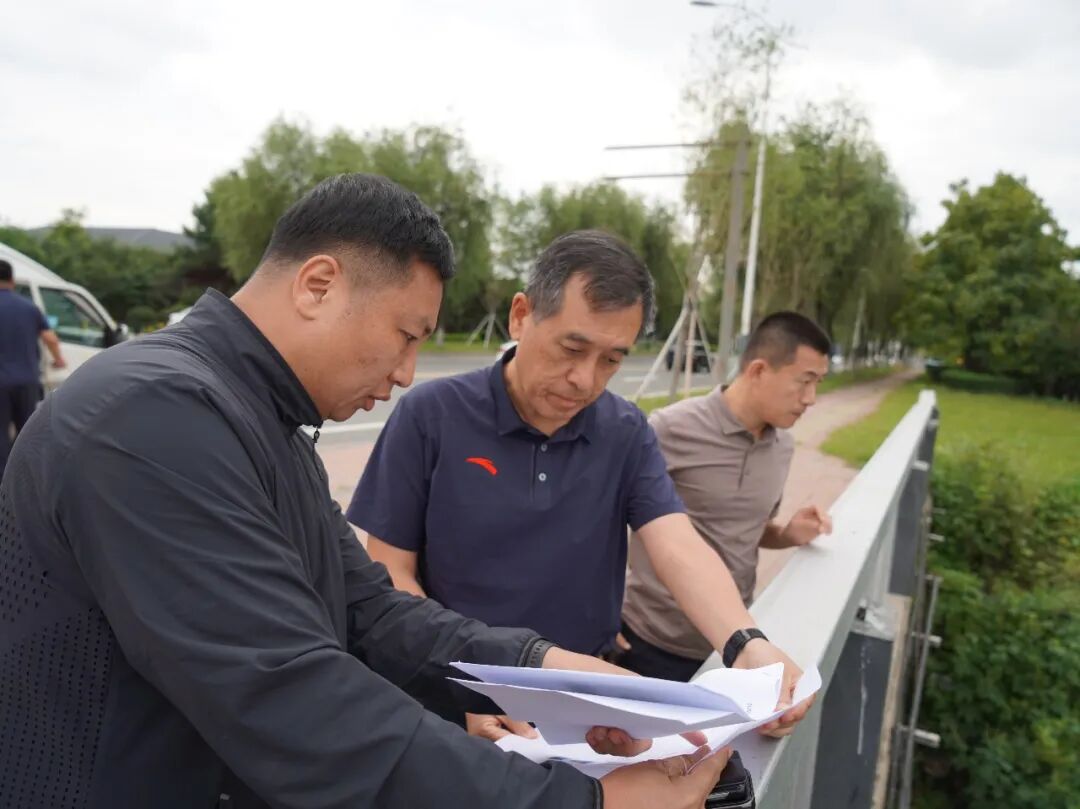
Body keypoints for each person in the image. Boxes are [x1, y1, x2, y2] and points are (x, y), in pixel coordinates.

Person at [0, 175, 732, 809]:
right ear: (318, 285)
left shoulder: (267, 423)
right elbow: (289, 695)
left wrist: (548, 672)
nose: (408, 372)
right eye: (406, 335)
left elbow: (369, 613)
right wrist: (589, 801)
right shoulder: (152, 415)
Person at [349, 230, 813, 742]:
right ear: (521, 316)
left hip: (586, 707)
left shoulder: (625, 431)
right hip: (456, 699)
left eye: (611, 360)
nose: (585, 380)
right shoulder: (432, 416)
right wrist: (462, 691)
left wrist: (747, 645)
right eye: (572, 349)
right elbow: (391, 571)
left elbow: (677, 544)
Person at [619, 311, 835, 681]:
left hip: (734, 651)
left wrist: (786, 535)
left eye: (818, 383)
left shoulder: (782, 447)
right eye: (804, 381)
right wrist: (600, 610)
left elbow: (750, 529)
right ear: (758, 370)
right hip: (650, 644)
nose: (811, 398)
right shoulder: (670, 429)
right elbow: (599, 521)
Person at [0, 258, 66, 479]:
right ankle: (24, 481)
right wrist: (59, 360)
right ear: (12, 280)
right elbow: (51, 339)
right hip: (26, 381)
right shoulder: (29, 308)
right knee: (27, 435)